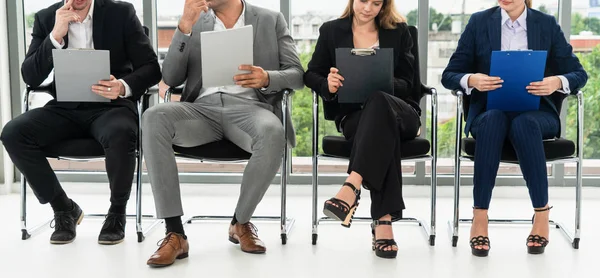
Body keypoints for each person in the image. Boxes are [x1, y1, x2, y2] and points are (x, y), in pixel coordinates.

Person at [143, 0, 303, 267]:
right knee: (153, 117)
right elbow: (170, 77)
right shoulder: (194, 21)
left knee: (273, 131)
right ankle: (175, 233)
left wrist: (267, 78)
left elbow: (297, 74)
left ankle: (240, 223)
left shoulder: (270, 19)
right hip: (201, 111)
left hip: (250, 109)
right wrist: (184, 26)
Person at [0, 0, 161, 245]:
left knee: (121, 132)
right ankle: (64, 209)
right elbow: (30, 76)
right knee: (13, 133)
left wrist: (122, 86)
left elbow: (151, 68)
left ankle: (117, 213)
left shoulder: (121, 13)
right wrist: (55, 36)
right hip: (65, 108)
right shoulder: (47, 18)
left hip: (112, 107)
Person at [441, 0, 587, 256]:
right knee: (495, 120)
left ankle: (541, 215)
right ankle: (480, 218)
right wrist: (472, 79)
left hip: (538, 114)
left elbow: (578, 74)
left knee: (524, 123)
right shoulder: (479, 22)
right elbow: (450, 74)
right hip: (489, 112)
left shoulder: (546, 24)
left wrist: (556, 81)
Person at [304, 0, 419, 259]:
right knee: (380, 132)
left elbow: (409, 84)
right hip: (355, 116)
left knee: (379, 101)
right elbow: (311, 74)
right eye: (363, 1)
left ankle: (351, 185)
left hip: (401, 114)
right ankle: (383, 222)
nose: (367, 8)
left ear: (384, 5)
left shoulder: (399, 32)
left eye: (376, 3)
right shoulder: (331, 31)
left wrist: (378, 79)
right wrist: (328, 84)